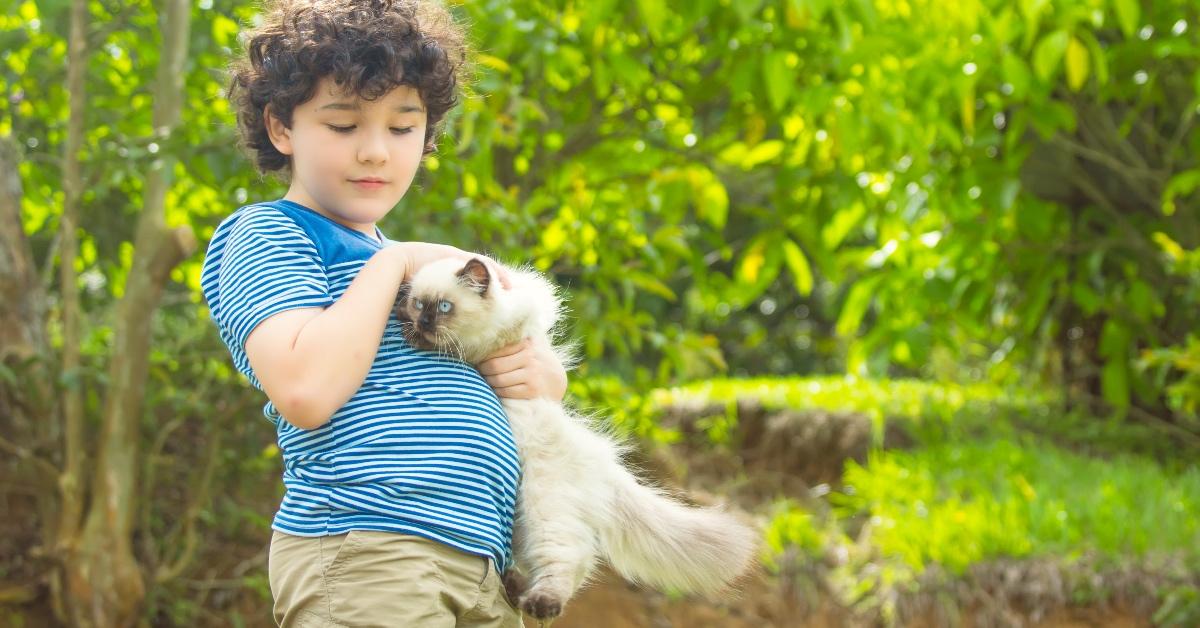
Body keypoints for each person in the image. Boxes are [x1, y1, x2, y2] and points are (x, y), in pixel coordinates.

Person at [199, 1, 566, 625]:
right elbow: (308, 389)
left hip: (486, 564)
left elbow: (466, 374)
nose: (376, 152)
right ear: (281, 128)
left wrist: (540, 382)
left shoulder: (405, 268)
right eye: (343, 125)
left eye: (402, 128)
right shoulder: (269, 235)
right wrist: (390, 265)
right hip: (371, 552)